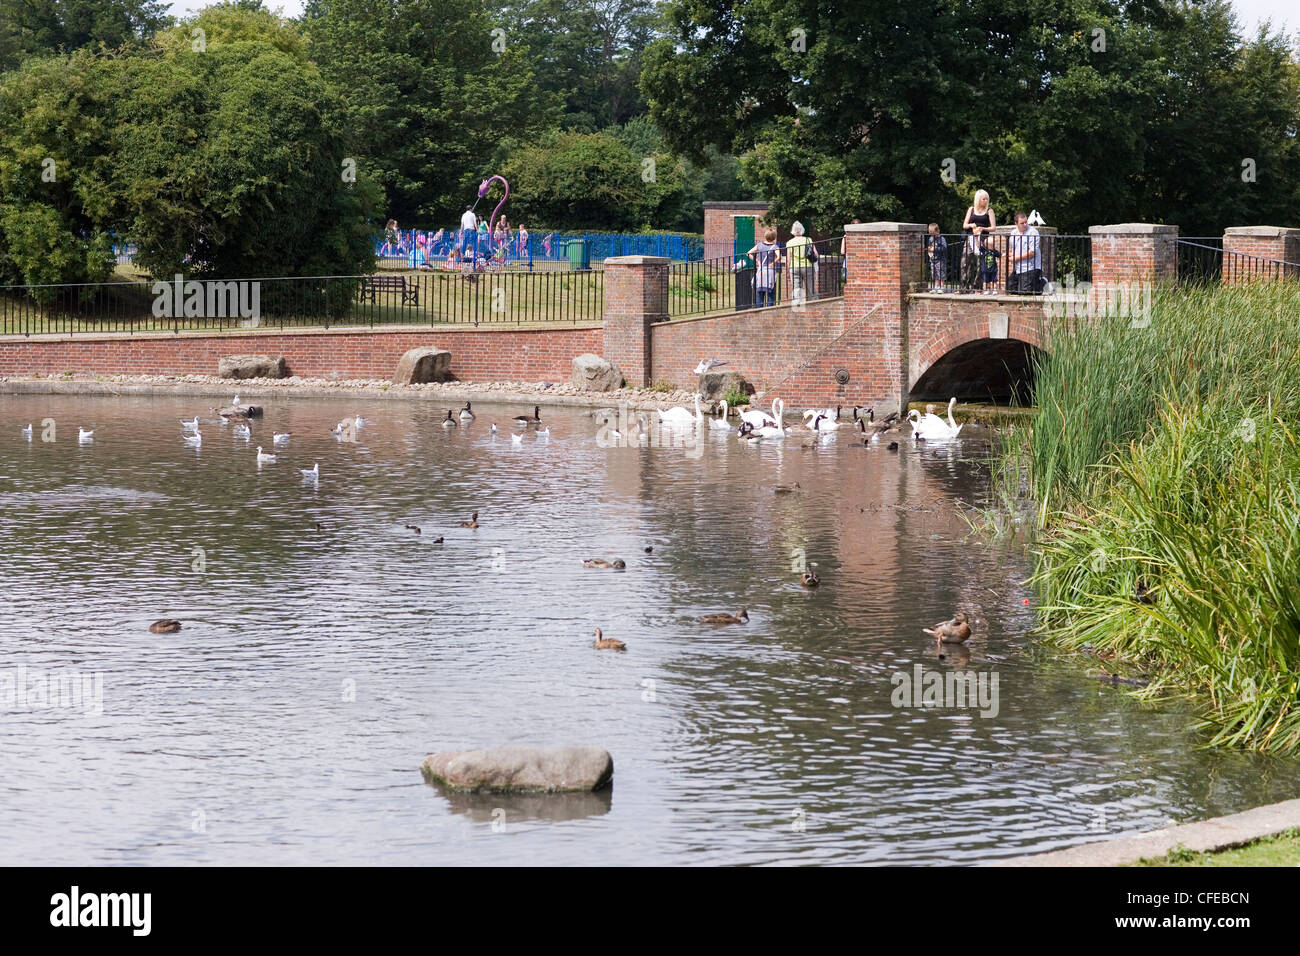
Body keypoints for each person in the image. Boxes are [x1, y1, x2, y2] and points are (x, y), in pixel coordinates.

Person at [960, 190, 996, 293]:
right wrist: (971, 225)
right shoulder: (971, 209)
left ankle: (977, 287)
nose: (985, 201)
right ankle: (964, 287)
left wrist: (983, 229)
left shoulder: (989, 211)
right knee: (965, 263)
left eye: (986, 199)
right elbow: (964, 225)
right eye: (983, 199)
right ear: (978, 199)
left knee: (981, 264)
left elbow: (993, 228)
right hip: (970, 238)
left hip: (983, 239)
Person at [1006, 211, 1041, 294]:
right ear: (1016, 223)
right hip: (1018, 267)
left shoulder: (1033, 232)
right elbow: (1014, 249)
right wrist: (1010, 255)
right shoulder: (1013, 233)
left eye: (1026, 222)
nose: (1025, 224)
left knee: (1025, 292)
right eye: (1022, 223)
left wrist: (1016, 258)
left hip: (1031, 267)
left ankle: (1041, 283)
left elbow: (1032, 253)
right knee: (1011, 289)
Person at [748, 227, 782, 308]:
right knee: (770, 292)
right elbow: (779, 257)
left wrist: (757, 261)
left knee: (760, 291)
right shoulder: (775, 247)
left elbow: (749, 253)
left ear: (765, 236)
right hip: (770, 271)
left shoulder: (759, 245)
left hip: (761, 270)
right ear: (774, 237)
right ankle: (769, 310)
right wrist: (773, 263)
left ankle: (759, 310)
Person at [785, 221, 819, 302]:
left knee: (797, 289)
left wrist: (787, 272)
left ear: (793, 231)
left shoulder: (790, 242)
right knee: (811, 288)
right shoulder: (808, 240)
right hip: (808, 266)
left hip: (794, 267)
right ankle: (813, 305)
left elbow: (788, 259)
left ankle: (798, 307)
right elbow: (816, 254)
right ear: (802, 230)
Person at [926, 223, 948, 292]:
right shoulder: (931, 239)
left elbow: (944, 248)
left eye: (934, 234)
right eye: (931, 234)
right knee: (934, 273)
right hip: (933, 259)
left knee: (941, 272)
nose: (933, 236)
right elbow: (929, 248)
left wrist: (935, 249)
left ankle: (941, 287)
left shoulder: (941, 239)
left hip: (940, 259)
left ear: (938, 231)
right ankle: (936, 286)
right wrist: (930, 254)